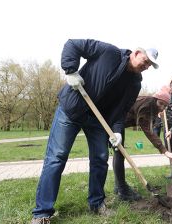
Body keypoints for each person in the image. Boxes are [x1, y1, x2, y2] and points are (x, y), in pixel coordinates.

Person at [31, 39, 159, 224]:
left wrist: (117, 132)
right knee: (56, 157)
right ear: (137, 53)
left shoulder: (135, 84)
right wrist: (70, 70)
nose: (146, 66)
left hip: (98, 120)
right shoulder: (109, 52)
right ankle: (42, 212)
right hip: (72, 108)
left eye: (149, 65)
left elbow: (121, 111)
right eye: (145, 61)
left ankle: (96, 203)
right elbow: (72, 45)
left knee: (100, 160)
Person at [113, 86, 172, 201]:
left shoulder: (152, 104)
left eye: (165, 105)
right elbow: (148, 131)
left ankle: (118, 186)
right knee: (119, 154)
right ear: (155, 99)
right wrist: (165, 151)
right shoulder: (146, 106)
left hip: (119, 123)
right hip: (114, 122)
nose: (162, 107)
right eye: (160, 104)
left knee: (119, 154)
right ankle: (122, 190)